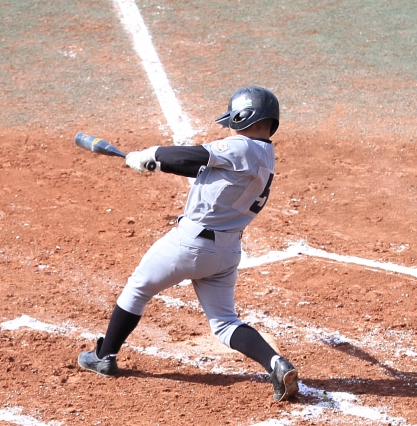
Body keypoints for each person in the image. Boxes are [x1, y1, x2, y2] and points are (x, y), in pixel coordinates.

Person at [77, 86, 299, 402]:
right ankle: (276, 364)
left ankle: (104, 356)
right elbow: (200, 167)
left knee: (138, 288)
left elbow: (191, 155)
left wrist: (151, 154)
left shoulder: (240, 145)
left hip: (189, 246)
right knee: (225, 323)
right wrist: (157, 164)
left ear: (243, 116)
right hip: (226, 253)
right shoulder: (264, 155)